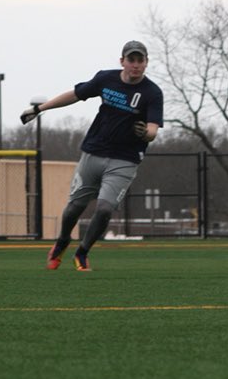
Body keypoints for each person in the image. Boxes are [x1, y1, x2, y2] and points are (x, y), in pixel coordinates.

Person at [22, 40, 163, 271]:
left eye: (141, 60)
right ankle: (62, 242)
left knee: (105, 208)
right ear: (122, 61)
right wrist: (39, 109)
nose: (136, 64)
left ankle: (82, 252)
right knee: (75, 207)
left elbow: (153, 131)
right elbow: (75, 95)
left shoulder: (152, 92)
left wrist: (145, 133)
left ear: (146, 63)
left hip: (125, 159)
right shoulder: (105, 79)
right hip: (93, 152)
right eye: (131, 59)